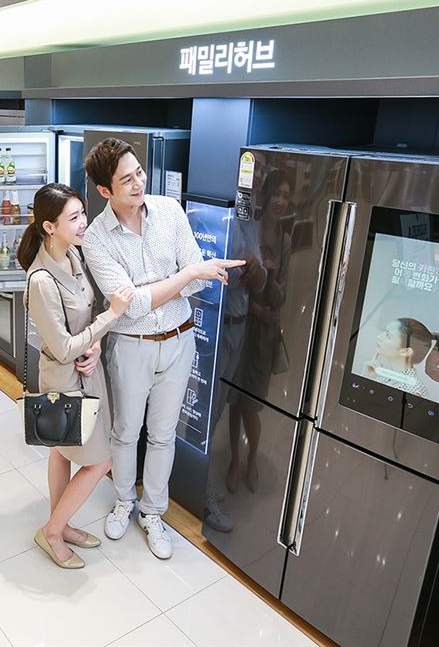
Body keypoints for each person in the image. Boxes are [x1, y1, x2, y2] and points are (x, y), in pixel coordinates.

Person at [82, 138, 244, 559]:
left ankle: (153, 512)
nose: (138, 183)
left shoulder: (170, 211)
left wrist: (167, 284)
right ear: (105, 190)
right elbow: (133, 306)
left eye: (138, 172)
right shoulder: (96, 238)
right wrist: (183, 275)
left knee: (163, 434)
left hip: (179, 340)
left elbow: (194, 284)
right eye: (126, 180)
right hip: (129, 345)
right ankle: (124, 500)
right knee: (126, 430)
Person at [18, 183, 135, 569]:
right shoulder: (41, 281)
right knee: (101, 461)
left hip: (87, 370)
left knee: (61, 450)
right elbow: (64, 347)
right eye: (74, 217)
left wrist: (96, 345)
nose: (84, 222)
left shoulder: (73, 255)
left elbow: (85, 320)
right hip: (64, 379)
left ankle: (61, 523)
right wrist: (112, 316)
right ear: (49, 227)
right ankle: (52, 531)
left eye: (83, 213)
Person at [227, 168, 292, 495]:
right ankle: (234, 460)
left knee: (251, 404)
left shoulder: (285, 240)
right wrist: (257, 308)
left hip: (263, 336)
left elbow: (282, 296)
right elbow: (236, 283)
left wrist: (273, 276)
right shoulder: (248, 227)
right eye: (276, 194)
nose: (280, 201)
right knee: (234, 400)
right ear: (265, 196)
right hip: (243, 326)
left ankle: (252, 459)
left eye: (286, 195)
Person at [363, 317, 439, 398]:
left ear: (405, 351)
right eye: (384, 332)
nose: (379, 337)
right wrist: (369, 378)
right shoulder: (385, 377)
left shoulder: (414, 391)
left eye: (388, 335)